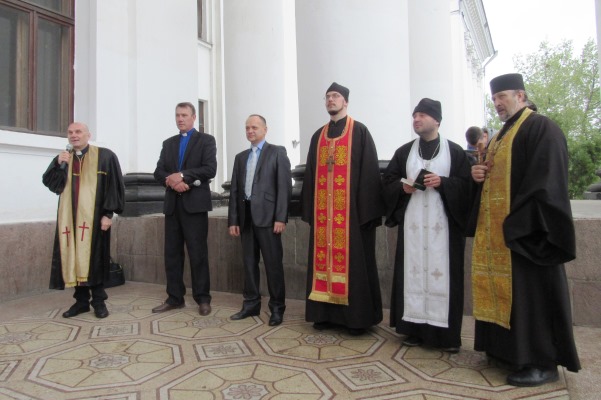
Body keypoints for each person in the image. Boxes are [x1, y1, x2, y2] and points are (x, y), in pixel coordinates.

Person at [470, 73, 580, 386]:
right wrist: (478, 175)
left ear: (520, 95)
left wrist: (519, 222)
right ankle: (505, 351)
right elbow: (493, 177)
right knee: (510, 295)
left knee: (533, 297)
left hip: (528, 233)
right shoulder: (499, 136)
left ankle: (541, 362)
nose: (497, 103)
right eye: (494, 98)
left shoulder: (541, 127)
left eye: (502, 96)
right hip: (501, 234)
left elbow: (547, 180)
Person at [382, 98, 472, 353]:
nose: (416, 119)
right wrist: (403, 187)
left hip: (444, 231)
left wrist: (444, 183)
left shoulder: (455, 152)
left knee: (443, 277)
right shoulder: (404, 152)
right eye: (414, 116)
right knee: (412, 274)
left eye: (422, 115)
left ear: (437, 120)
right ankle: (414, 330)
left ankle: (447, 336)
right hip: (413, 229)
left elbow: (467, 187)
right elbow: (387, 182)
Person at [301, 82, 384, 335]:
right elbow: (310, 174)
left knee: (354, 267)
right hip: (323, 217)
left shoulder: (359, 132)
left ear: (345, 101)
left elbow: (369, 174)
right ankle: (323, 314)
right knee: (322, 262)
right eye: (327, 96)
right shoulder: (318, 136)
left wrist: (365, 215)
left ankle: (356, 319)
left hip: (351, 218)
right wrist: (311, 212)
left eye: (335, 96)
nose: (331, 100)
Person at [43, 122, 125, 319]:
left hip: (95, 219)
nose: (74, 135)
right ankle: (81, 303)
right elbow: (53, 185)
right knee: (74, 259)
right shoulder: (64, 157)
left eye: (78, 132)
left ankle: (99, 302)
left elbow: (115, 185)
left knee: (95, 260)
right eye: (70, 132)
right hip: (70, 220)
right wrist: (57, 164)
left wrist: (108, 214)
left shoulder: (105, 156)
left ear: (88, 135)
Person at [153, 102, 217, 316]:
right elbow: (158, 172)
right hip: (173, 206)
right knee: (172, 254)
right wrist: (173, 183)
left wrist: (182, 176)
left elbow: (210, 169)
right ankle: (174, 298)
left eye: (184, 115)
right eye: (177, 115)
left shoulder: (206, 140)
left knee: (198, 253)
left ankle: (203, 298)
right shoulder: (168, 143)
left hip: (195, 205)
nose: (180, 119)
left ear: (193, 117)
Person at [228, 114, 292, 326]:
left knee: (273, 265)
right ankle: (251, 304)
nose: (250, 131)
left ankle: (277, 308)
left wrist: (280, 217)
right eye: (247, 128)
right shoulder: (240, 157)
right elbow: (235, 191)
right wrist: (233, 220)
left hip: (269, 218)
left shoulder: (277, 152)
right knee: (248, 263)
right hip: (246, 218)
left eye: (254, 127)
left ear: (265, 129)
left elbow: (284, 187)